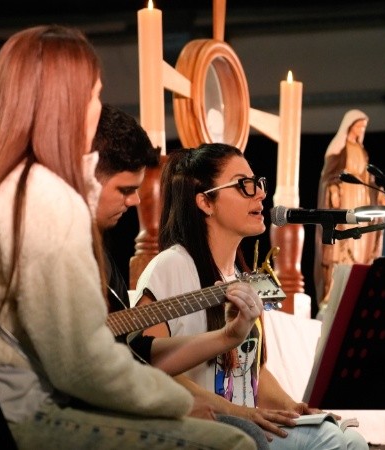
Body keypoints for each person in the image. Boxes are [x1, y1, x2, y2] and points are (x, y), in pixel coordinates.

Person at [0, 25, 261, 449]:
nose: (98, 109)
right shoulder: (47, 197)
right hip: (11, 426)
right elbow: (81, 367)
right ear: (67, 104)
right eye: (95, 95)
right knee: (232, 443)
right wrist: (178, 401)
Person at [134, 143, 370, 450]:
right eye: (244, 185)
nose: (260, 193)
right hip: (205, 427)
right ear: (206, 202)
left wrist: (292, 406)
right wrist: (237, 412)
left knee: (351, 438)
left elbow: (253, 368)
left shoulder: (244, 276)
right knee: (326, 441)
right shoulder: (171, 266)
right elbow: (146, 365)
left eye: (258, 183)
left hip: (246, 421)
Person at [91, 103, 270, 449]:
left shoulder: (100, 260)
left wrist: (230, 335)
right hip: (84, 410)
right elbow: (122, 364)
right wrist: (178, 403)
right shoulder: (170, 265)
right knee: (246, 439)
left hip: (116, 401)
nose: (132, 204)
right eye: (126, 190)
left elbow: (138, 352)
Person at [313, 109, 385, 313]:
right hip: (345, 199)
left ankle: (354, 290)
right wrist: (334, 188)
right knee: (341, 246)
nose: (361, 130)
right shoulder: (340, 149)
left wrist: (379, 194)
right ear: (350, 126)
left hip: (361, 199)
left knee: (360, 247)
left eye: (364, 127)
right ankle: (335, 292)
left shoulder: (362, 151)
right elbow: (328, 175)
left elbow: (369, 179)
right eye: (359, 125)